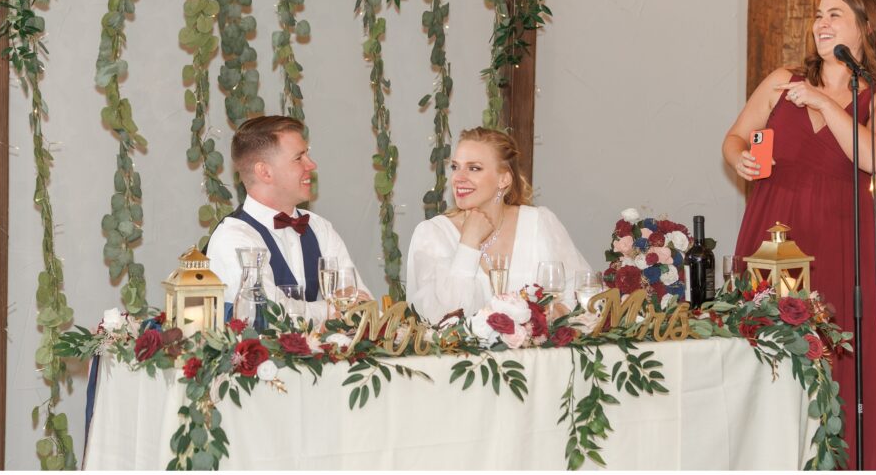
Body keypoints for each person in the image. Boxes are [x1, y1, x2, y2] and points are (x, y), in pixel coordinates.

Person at [722, 0, 876, 469]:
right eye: (818, 14)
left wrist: (827, 104)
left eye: (835, 15)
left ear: (865, 28)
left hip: (842, 232)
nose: (821, 23)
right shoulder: (784, 79)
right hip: (774, 228)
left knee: (841, 345)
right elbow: (736, 135)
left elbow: (875, 158)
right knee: (768, 345)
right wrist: (738, 156)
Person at [406, 127, 591, 323]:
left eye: (474, 168)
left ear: (504, 179)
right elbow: (442, 320)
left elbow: (586, 292)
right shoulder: (432, 235)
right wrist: (468, 244)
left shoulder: (539, 223)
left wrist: (560, 311)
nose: (458, 178)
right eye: (455, 167)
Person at [207, 115, 371, 323]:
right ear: (265, 172)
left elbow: (362, 303)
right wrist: (330, 310)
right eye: (299, 158)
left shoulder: (319, 228)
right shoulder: (233, 237)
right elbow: (267, 314)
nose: (311, 165)